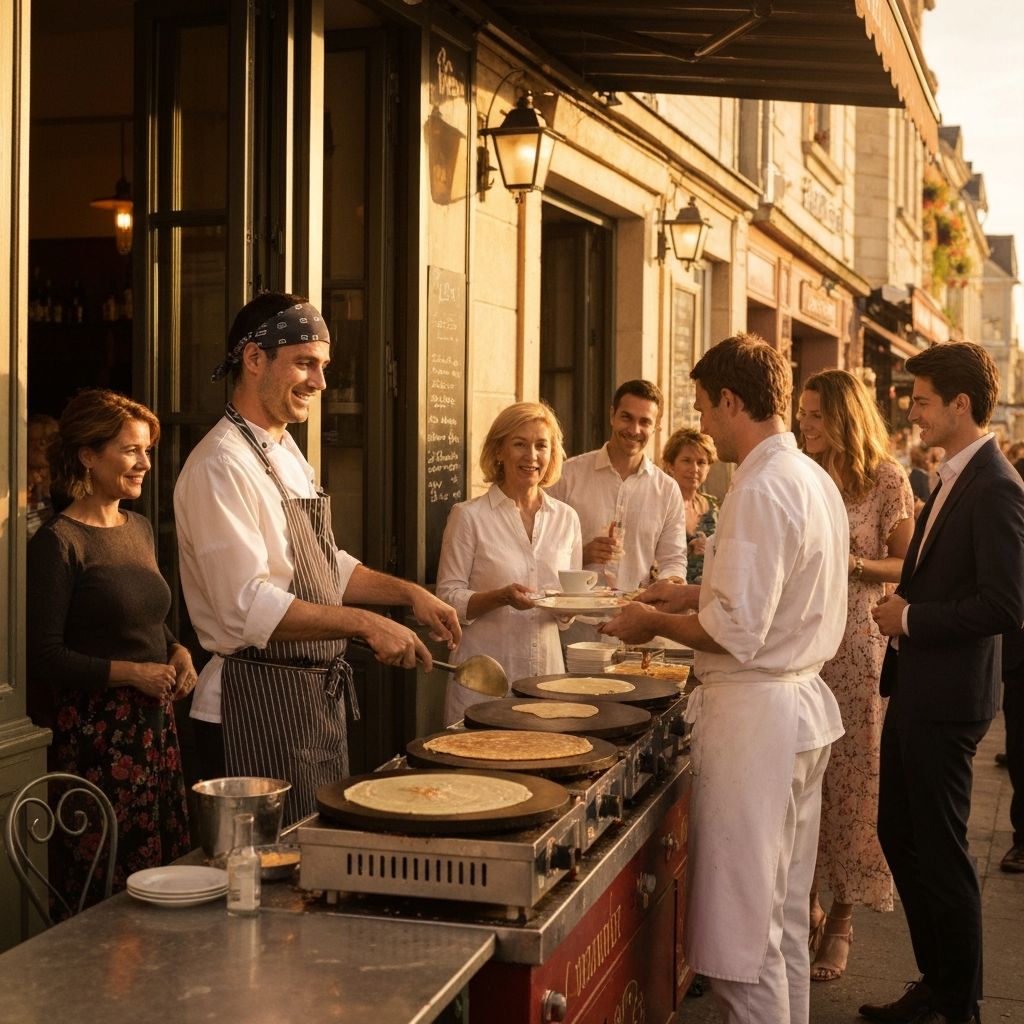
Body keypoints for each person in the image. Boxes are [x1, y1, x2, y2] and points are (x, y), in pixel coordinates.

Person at [600, 334, 847, 1024]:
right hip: (797, 711)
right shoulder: (809, 477)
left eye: (706, 408)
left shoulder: (761, 486)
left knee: (743, 939)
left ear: (733, 401)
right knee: (785, 921)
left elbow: (735, 632)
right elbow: (772, 598)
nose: (702, 423)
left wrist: (650, 622)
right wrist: (689, 597)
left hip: (758, 721)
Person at [174, 293, 460, 824]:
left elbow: (325, 564)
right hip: (251, 706)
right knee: (264, 878)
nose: (320, 383)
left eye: (323, 366)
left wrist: (408, 595)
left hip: (309, 703)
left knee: (310, 859)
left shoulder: (285, 451)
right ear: (254, 359)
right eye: (305, 363)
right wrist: (367, 625)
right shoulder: (221, 465)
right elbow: (246, 607)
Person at [866, 342, 1024, 1024]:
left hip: (950, 699)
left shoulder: (995, 486)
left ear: (961, 405)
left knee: (942, 851)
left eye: (923, 399)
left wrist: (912, 616)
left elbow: (1007, 604)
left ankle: (958, 1005)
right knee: (900, 834)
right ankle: (937, 982)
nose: (912, 410)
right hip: (917, 689)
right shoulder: (951, 474)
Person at [27, 389, 193, 914]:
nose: (145, 463)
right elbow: (45, 656)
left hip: (155, 729)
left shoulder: (138, 527)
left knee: (162, 877)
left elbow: (144, 618)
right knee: (110, 890)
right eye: (130, 450)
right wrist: (133, 675)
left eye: (146, 450)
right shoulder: (57, 543)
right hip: (100, 740)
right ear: (87, 455)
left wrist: (177, 649)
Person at [795, 369, 915, 983]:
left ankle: (840, 917)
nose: (804, 423)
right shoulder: (803, 474)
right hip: (803, 647)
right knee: (805, 780)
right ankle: (805, 901)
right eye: (802, 413)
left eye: (814, 414)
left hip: (860, 650)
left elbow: (907, 562)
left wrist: (854, 563)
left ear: (843, 416)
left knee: (854, 783)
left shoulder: (887, 478)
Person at [435, 402, 582, 724]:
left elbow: (567, 606)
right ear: (499, 451)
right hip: (484, 679)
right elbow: (447, 598)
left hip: (547, 679)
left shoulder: (567, 519)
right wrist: (499, 597)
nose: (532, 456)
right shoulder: (469, 517)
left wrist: (570, 609)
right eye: (520, 444)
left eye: (541, 445)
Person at [546, 379, 686, 593]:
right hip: (575, 619)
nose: (634, 429)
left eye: (645, 422)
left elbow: (673, 559)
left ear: (656, 427)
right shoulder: (568, 475)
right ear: (612, 415)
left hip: (634, 617)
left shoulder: (667, 490)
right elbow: (542, 549)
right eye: (626, 417)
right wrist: (582, 554)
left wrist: (668, 583)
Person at [661, 427, 718, 584]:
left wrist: (712, 550)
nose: (694, 469)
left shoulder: (713, 505)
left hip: (708, 594)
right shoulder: (661, 505)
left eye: (701, 462)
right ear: (671, 466)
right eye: (686, 461)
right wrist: (688, 552)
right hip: (670, 592)